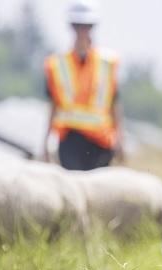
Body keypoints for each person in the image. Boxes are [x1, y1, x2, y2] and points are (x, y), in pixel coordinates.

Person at [43, 0, 124, 170]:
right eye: (78, 25)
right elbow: (53, 105)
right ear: (72, 27)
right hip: (70, 139)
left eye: (87, 25)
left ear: (92, 27)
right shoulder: (56, 64)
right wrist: (45, 142)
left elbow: (114, 104)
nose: (82, 30)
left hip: (102, 141)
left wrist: (121, 140)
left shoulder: (108, 63)